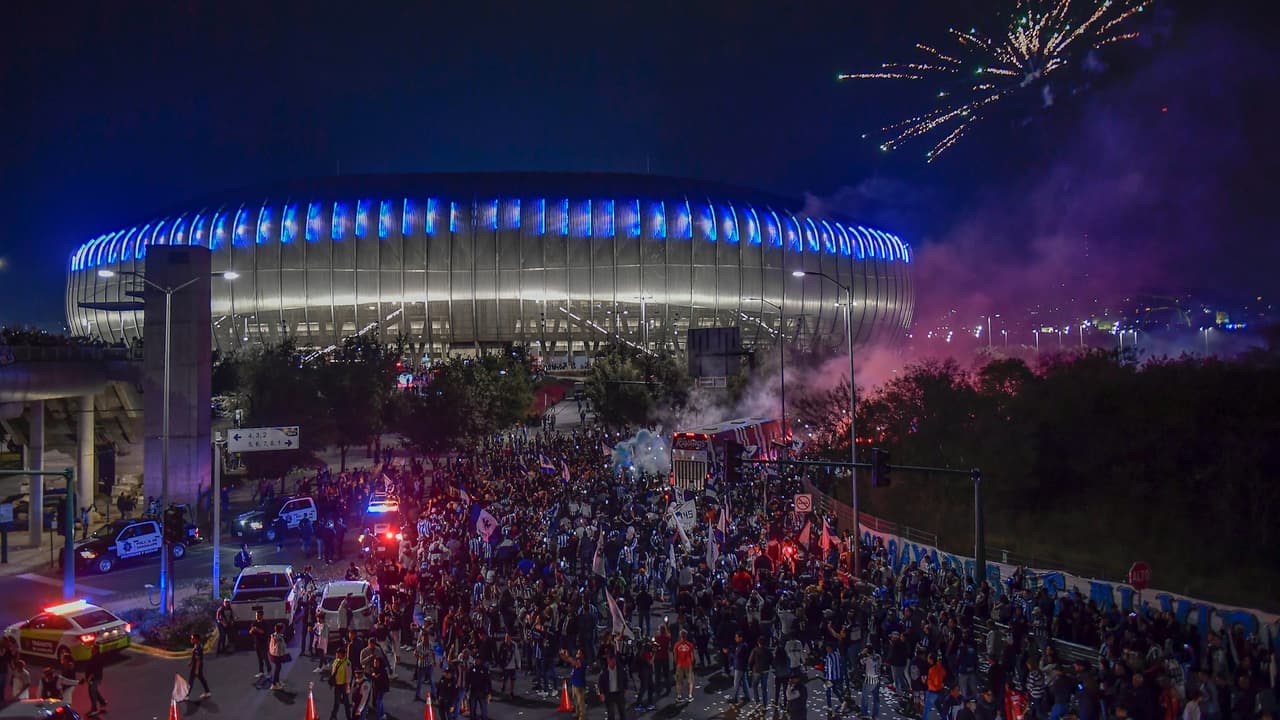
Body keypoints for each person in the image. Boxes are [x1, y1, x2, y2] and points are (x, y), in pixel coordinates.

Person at [597, 652, 629, 720]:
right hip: (609, 694)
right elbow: (600, 683)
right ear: (608, 661)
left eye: (614, 661)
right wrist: (601, 693)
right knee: (611, 713)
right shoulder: (604, 671)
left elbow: (625, 678)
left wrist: (625, 688)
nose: (613, 663)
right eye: (611, 661)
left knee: (622, 711)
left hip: (619, 693)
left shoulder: (620, 669)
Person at [328, 647, 353, 720]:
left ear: (342, 654)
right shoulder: (336, 660)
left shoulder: (347, 663)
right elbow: (333, 671)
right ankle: (333, 715)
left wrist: (347, 686)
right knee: (336, 702)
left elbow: (349, 675)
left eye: (338, 653)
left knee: (346, 703)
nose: (336, 654)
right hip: (337, 685)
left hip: (343, 685)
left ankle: (348, 717)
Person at [84, 643, 108, 716]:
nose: (91, 649)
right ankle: (102, 702)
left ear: (96, 650)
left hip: (95, 678)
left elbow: (96, 670)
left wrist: (90, 677)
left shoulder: (97, 658)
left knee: (92, 692)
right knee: (94, 690)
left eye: (93, 648)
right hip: (93, 678)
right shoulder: (94, 656)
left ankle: (94, 709)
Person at [674, 630, 696, 702]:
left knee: (679, 681)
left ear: (680, 636)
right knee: (690, 680)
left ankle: (679, 696)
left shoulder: (677, 645)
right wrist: (692, 664)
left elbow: (675, 656)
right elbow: (692, 656)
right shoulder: (690, 645)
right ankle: (690, 696)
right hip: (688, 664)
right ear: (686, 636)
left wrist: (676, 663)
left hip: (680, 664)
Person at [188, 633, 212, 699]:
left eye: (192, 638)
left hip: (196, 666)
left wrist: (196, 669)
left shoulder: (198, 647)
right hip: (196, 666)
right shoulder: (196, 645)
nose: (191, 639)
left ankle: (187, 695)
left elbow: (198, 659)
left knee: (191, 680)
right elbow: (195, 657)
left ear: (196, 639)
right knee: (201, 679)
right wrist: (191, 662)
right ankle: (207, 692)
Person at [250, 610, 271, 679]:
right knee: (259, 658)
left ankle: (269, 672)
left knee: (265, 658)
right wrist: (252, 630)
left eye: (258, 615)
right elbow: (250, 632)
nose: (256, 616)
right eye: (256, 615)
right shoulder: (254, 623)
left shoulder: (265, 623)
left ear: (261, 615)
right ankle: (261, 672)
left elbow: (264, 632)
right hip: (257, 643)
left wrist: (257, 629)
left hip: (264, 643)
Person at [269, 623, 290, 690]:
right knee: (277, 669)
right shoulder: (279, 638)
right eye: (283, 629)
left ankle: (277, 682)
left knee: (278, 668)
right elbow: (280, 647)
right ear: (281, 630)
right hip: (277, 655)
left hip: (274, 654)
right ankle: (274, 684)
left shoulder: (275, 635)